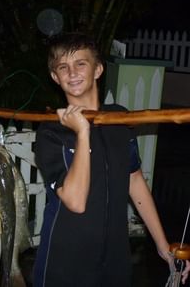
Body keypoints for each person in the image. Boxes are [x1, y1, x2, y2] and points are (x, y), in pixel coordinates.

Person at [32, 32, 190, 286]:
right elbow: (75, 201)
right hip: (65, 263)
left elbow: (135, 181)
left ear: (98, 69)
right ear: (55, 77)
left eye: (80, 63)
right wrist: (82, 132)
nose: (72, 72)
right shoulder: (51, 132)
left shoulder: (120, 119)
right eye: (63, 67)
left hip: (115, 260)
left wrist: (163, 247)